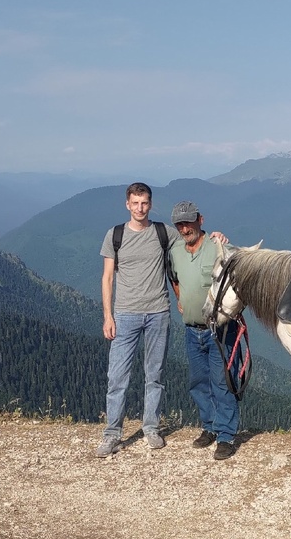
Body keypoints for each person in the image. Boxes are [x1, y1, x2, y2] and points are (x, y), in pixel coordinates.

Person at [96, 182, 179, 456]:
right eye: (135, 203)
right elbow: (107, 278)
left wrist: (215, 236)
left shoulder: (163, 232)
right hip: (125, 314)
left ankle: (151, 427)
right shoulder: (115, 235)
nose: (140, 208)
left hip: (158, 312)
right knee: (117, 376)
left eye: (144, 203)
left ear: (150, 205)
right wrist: (108, 316)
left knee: (154, 375)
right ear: (127, 205)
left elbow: (193, 240)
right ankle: (112, 434)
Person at [170, 200, 240, 460]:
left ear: (200, 220)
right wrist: (181, 298)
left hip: (219, 330)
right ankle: (209, 427)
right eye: (179, 224)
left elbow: (240, 276)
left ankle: (225, 435)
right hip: (191, 329)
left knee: (223, 381)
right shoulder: (176, 250)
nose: (184, 228)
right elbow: (174, 277)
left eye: (188, 222)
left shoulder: (220, 247)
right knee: (199, 382)